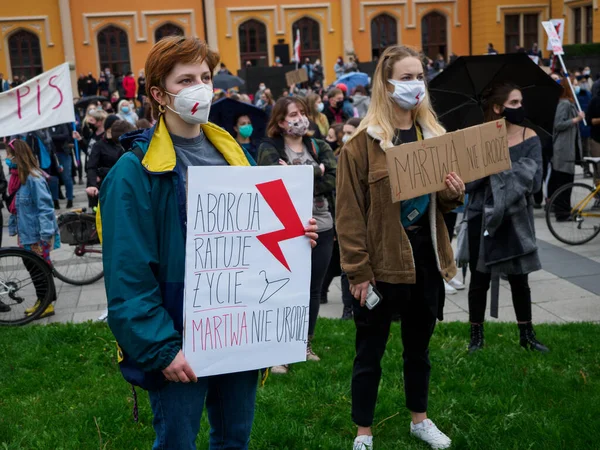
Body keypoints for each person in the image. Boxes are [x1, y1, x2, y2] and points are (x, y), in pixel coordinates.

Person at [99, 36, 318, 450]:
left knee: (234, 439)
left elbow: (258, 237)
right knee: (177, 442)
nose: (200, 87)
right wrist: (160, 348)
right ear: (159, 94)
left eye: (205, 76)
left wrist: (295, 236)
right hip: (177, 339)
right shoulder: (134, 172)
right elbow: (128, 274)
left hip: (238, 334)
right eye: (186, 79)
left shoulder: (236, 155)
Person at [336, 45, 464, 450]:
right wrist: (358, 271)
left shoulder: (435, 137)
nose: (416, 85)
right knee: (369, 353)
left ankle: (419, 420)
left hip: (425, 259)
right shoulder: (361, 144)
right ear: (386, 84)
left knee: (418, 350)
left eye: (420, 76)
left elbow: (440, 207)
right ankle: (364, 432)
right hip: (381, 262)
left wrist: (452, 194)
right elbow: (349, 214)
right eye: (406, 77)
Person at [466, 83, 548, 354]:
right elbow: (469, 182)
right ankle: (476, 337)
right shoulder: (481, 138)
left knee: (518, 279)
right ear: (497, 107)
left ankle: (527, 335)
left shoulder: (530, 137)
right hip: (482, 216)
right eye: (514, 103)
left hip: (515, 218)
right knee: (478, 280)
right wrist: (487, 171)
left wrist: (498, 175)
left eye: (520, 102)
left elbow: (534, 182)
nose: (520, 108)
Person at [257, 96, 337, 373]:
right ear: (280, 122)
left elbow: (332, 179)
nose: (300, 118)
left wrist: (295, 174)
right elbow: (272, 182)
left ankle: (304, 343)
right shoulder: (269, 148)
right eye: (293, 114)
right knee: (283, 288)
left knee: (313, 289)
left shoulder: (320, 145)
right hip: (285, 230)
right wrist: (315, 171)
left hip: (323, 225)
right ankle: (278, 350)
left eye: (303, 112)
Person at [6, 139, 60, 319]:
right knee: (33, 267)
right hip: (26, 233)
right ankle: (43, 300)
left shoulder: (33, 178)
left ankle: (46, 304)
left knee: (39, 269)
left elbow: (45, 207)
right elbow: (17, 208)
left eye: (9, 154)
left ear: (17, 156)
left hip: (36, 235)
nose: (7, 158)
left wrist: (45, 234)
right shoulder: (18, 178)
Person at [548, 76, 586, 221]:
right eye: (573, 85)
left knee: (567, 181)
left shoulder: (569, 103)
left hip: (567, 148)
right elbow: (558, 124)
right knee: (564, 181)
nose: (576, 87)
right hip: (563, 150)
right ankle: (562, 213)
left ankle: (565, 209)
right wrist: (576, 119)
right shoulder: (564, 104)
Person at [86, 119, 135, 208]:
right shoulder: (99, 145)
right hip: (106, 185)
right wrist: (92, 185)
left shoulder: (123, 145)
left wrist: (103, 170)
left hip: (122, 186)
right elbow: (91, 167)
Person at [48, 123, 74, 209]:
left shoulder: (63, 124)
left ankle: (70, 199)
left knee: (67, 177)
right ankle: (55, 201)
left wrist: (52, 137)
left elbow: (66, 135)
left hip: (64, 153)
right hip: (51, 155)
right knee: (53, 179)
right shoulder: (47, 126)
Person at [576, 78, 593, 177]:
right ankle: (586, 169)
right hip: (586, 127)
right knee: (586, 150)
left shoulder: (576, 97)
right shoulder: (589, 96)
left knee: (584, 149)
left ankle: (585, 169)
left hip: (581, 127)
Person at [587, 84, 600, 186]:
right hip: (597, 140)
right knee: (598, 170)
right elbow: (589, 120)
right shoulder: (595, 101)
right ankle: (597, 196)